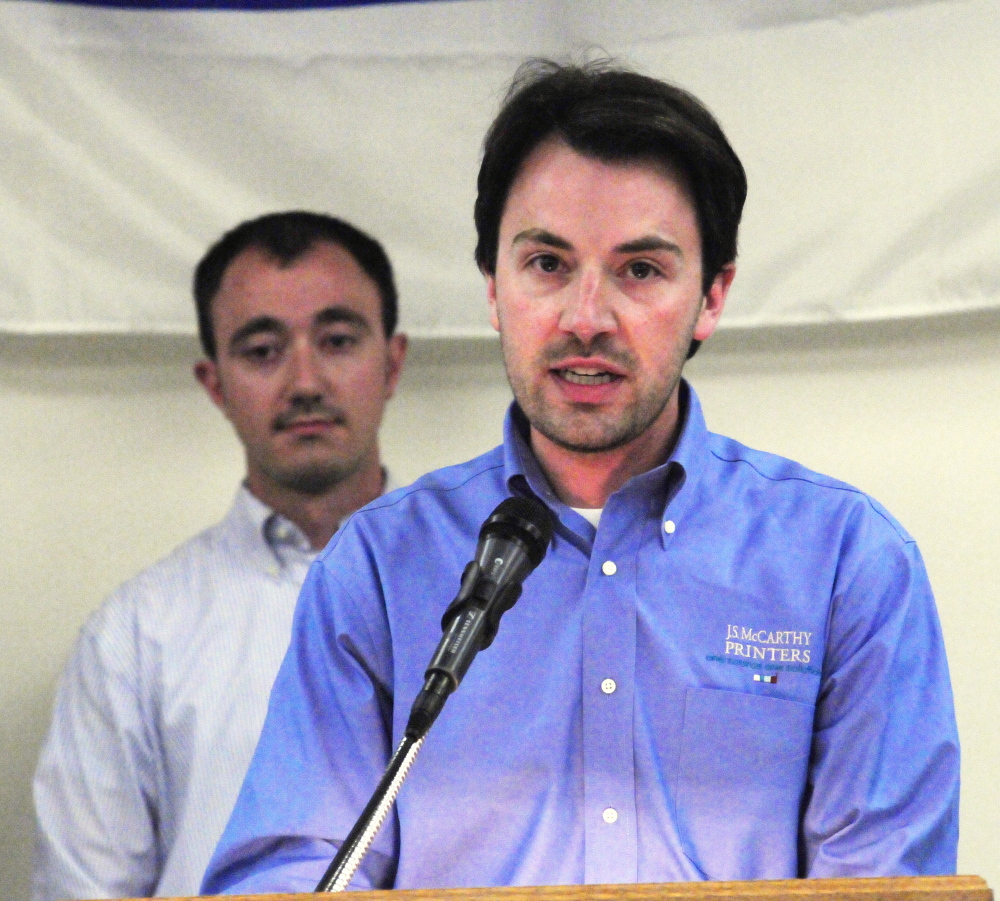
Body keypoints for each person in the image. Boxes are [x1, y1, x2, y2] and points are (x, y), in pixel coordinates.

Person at [202, 62, 959, 893]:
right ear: (494, 287)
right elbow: (285, 878)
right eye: (548, 264)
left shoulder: (845, 561)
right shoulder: (378, 569)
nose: (586, 318)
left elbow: (885, 887)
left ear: (711, 296)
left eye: (640, 270)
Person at [31, 211, 408, 900]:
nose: (305, 380)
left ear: (392, 360)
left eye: (338, 339)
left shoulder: (503, 596)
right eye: (262, 349)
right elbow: (83, 889)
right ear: (215, 384)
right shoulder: (136, 637)